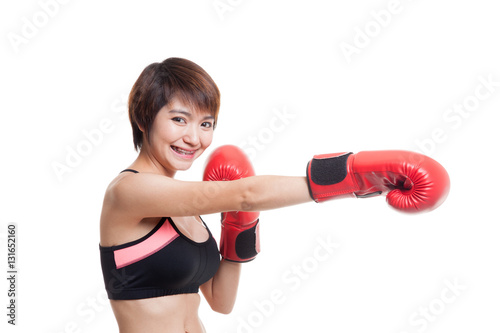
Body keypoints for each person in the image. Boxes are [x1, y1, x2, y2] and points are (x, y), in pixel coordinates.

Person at [99, 57, 450, 333]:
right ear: (144, 118)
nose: (195, 138)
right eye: (179, 119)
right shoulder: (129, 191)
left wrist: (240, 226)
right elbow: (246, 193)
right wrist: (357, 176)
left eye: (206, 124)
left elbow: (221, 301)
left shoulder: (186, 207)